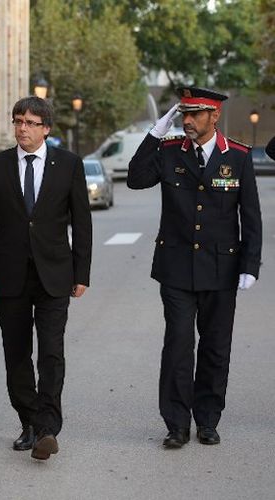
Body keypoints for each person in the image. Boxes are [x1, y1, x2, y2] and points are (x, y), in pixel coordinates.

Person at [127, 87, 262, 449]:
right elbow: (136, 177)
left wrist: (250, 264)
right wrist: (156, 133)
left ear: (213, 116)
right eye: (183, 113)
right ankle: (175, 423)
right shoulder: (170, 152)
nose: (187, 120)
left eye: (195, 114)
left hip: (222, 268)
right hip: (176, 268)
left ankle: (207, 419)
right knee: (178, 345)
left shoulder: (238, 156)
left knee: (216, 348)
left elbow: (250, 216)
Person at [0, 96, 92, 461]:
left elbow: (82, 222)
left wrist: (81, 272)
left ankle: (47, 428)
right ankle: (30, 422)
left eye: (30, 122)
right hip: (8, 277)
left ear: (46, 129)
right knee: (17, 354)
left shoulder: (69, 165)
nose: (22, 128)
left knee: (52, 353)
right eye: (18, 121)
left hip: (55, 274)